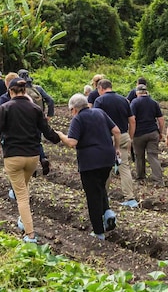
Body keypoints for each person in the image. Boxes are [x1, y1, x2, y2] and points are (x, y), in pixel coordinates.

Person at [0, 77, 61, 244]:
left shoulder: (5, 108)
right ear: (25, 91)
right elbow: (47, 131)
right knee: (24, 189)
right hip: (32, 157)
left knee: (21, 196)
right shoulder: (35, 108)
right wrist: (59, 139)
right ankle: (23, 220)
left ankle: (30, 235)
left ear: (10, 92)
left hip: (13, 156)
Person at [56, 93, 121, 240]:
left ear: (74, 109)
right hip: (107, 158)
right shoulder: (100, 112)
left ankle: (98, 232)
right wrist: (116, 148)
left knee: (92, 195)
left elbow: (72, 142)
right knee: (100, 186)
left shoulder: (78, 119)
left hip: (90, 161)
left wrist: (61, 135)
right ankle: (108, 212)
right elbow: (116, 131)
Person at [93, 79, 138, 208]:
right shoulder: (123, 100)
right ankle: (130, 198)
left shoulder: (99, 101)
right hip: (123, 135)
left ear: (101, 88)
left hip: (107, 137)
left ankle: (103, 195)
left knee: (104, 167)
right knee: (124, 167)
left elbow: (96, 119)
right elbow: (132, 120)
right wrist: (130, 136)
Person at [17, 69, 54, 175]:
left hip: (24, 121)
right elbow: (50, 101)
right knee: (37, 142)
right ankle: (42, 158)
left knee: (25, 143)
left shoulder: (18, 91)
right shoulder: (38, 89)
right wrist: (49, 116)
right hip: (39, 119)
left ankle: (31, 169)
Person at [130, 84, 164, 186]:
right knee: (153, 156)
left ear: (137, 92)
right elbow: (161, 120)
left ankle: (141, 177)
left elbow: (132, 120)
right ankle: (158, 180)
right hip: (153, 132)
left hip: (139, 134)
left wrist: (131, 134)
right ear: (146, 92)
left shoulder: (134, 103)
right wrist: (160, 132)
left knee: (139, 156)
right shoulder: (154, 102)